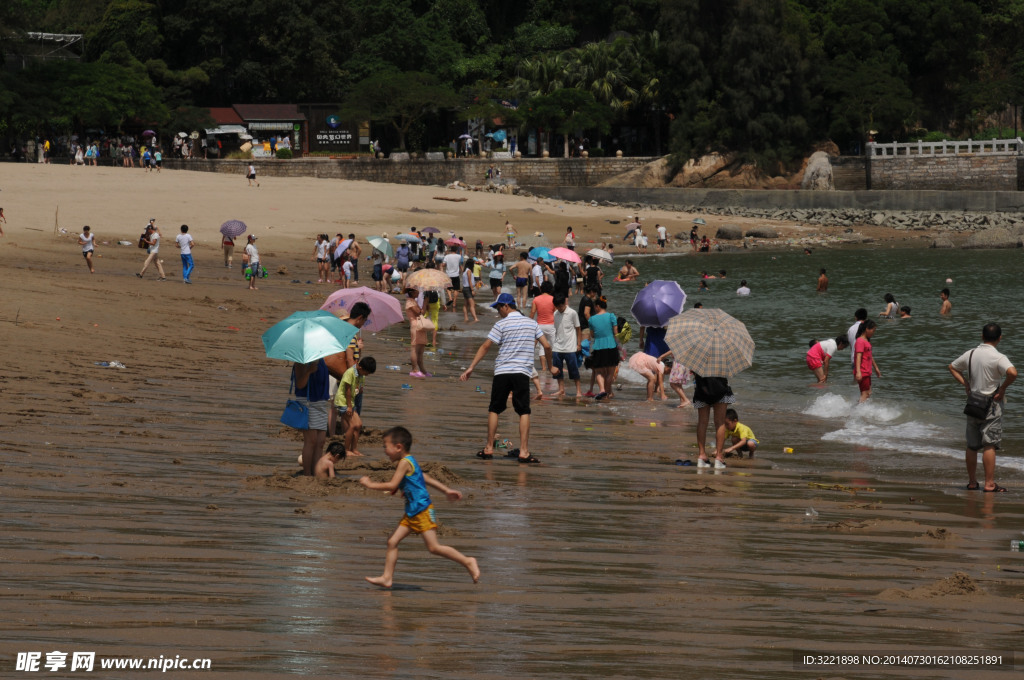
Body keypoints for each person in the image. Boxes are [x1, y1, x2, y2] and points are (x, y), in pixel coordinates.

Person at [360, 426, 480, 587]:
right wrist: (446, 490)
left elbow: (392, 484)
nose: (384, 450)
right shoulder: (410, 460)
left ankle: (468, 561)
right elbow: (423, 478)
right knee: (392, 541)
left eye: (385, 446)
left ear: (398, 447)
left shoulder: (404, 463)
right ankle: (387, 577)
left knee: (433, 547)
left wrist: (370, 484)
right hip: (411, 512)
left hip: (422, 510)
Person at [459, 293, 556, 463]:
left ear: (506, 306)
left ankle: (489, 448)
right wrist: (550, 365)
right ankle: (524, 451)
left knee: (494, 409)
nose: (498, 312)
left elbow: (486, 346)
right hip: (521, 372)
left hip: (502, 371)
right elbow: (547, 346)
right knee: (523, 411)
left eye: (498, 308)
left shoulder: (501, 324)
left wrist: (471, 367)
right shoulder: (532, 324)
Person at [949, 323, 1017, 492]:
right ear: (1000, 338)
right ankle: (989, 483)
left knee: (972, 445)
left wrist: (965, 383)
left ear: (982, 336)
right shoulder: (999, 357)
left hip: (973, 402)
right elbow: (1013, 373)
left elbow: (952, 367)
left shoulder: (971, 353)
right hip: (991, 404)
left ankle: (972, 482)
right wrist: (1002, 389)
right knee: (989, 444)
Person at [293, 357, 331, 475]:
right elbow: (299, 384)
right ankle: (307, 473)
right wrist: (309, 371)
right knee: (311, 441)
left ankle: (317, 471)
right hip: (307, 402)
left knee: (320, 442)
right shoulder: (301, 362)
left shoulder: (322, 360)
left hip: (320, 403)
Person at [335, 357, 376, 457]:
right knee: (353, 426)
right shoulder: (350, 373)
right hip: (343, 401)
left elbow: (358, 390)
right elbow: (347, 390)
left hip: (352, 402)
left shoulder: (361, 375)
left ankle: (354, 449)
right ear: (360, 367)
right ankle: (346, 449)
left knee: (358, 425)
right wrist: (349, 406)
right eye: (366, 372)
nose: (367, 375)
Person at [693, 374, 735, 468]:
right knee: (720, 423)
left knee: (702, 422)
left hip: (702, 390)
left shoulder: (699, 359)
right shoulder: (722, 359)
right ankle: (719, 457)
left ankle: (702, 455)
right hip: (720, 389)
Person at [587, 298, 619, 400]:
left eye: (595, 307)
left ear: (598, 306)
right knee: (610, 372)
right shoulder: (611, 316)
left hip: (598, 347)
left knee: (599, 371)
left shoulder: (591, 319)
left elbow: (592, 335)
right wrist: (619, 346)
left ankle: (602, 390)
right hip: (611, 346)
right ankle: (607, 392)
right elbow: (616, 333)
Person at [551, 294, 582, 398]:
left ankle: (578, 391)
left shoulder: (572, 313)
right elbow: (555, 330)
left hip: (570, 347)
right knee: (557, 370)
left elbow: (578, 329)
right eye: (557, 306)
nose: (559, 308)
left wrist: (579, 344)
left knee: (573, 370)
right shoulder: (555, 314)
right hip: (557, 346)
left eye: (561, 306)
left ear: (564, 303)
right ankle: (561, 390)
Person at [405, 289, 431, 378]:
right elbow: (420, 313)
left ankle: (422, 370)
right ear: (411, 292)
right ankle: (414, 369)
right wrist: (425, 302)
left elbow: (423, 312)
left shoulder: (413, 301)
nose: (418, 293)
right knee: (415, 348)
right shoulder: (409, 302)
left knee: (420, 350)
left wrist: (426, 304)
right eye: (416, 291)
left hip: (420, 326)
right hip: (416, 326)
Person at [853, 320, 881, 402]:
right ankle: (856, 411)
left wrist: (876, 368)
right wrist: (858, 372)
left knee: (868, 393)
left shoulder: (866, 341)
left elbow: (870, 356)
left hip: (867, 371)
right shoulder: (860, 341)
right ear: (867, 329)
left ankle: (858, 410)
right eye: (873, 330)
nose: (873, 332)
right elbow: (858, 357)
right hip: (862, 371)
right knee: (865, 393)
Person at [530, 282, 556, 371]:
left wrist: (529, 323)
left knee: (542, 346)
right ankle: (553, 366)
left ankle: (544, 367)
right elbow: (555, 313)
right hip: (551, 325)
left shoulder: (536, 299)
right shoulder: (553, 299)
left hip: (539, 325)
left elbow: (533, 312)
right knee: (553, 346)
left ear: (541, 289)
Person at [460, 258, 479, 322]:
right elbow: (469, 280)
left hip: (465, 288)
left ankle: (466, 318)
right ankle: (475, 318)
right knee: (472, 304)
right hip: (468, 289)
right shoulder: (469, 271)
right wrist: (472, 289)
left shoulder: (465, 270)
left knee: (465, 304)